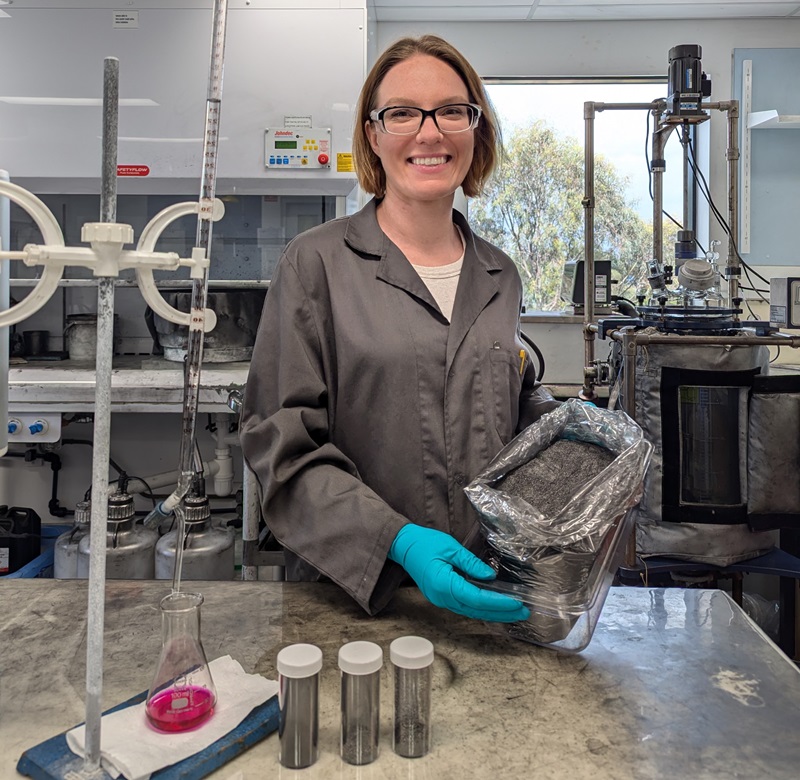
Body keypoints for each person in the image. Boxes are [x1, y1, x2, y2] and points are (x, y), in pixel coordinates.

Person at [240, 34, 559, 621]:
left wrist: (566, 439)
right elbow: (281, 446)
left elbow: (501, 404)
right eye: (403, 113)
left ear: (475, 128)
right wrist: (397, 540)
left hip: (485, 588)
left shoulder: (500, 273)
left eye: (452, 112)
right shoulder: (316, 265)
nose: (430, 133)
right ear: (374, 134)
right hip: (353, 598)